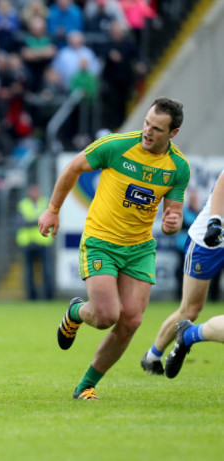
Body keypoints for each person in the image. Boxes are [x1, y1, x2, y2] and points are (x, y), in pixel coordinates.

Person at [38, 97, 190, 400]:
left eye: (157, 129)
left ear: (172, 134)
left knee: (131, 320)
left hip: (139, 248)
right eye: (146, 123)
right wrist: (52, 210)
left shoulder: (178, 167)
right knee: (106, 315)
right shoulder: (115, 146)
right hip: (101, 241)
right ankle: (76, 312)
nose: (147, 132)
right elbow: (72, 168)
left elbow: (173, 213)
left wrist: (173, 222)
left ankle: (86, 386)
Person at [141, 170, 224, 377]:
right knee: (190, 309)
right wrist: (215, 220)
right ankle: (153, 355)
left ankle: (187, 336)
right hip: (207, 243)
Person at [17, 184, 54, 300]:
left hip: (43, 242)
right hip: (28, 243)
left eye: (36, 191)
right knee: (29, 273)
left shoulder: (45, 203)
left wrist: (30, 222)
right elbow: (20, 222)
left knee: (46, 271)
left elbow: (49, 220)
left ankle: (48, 297)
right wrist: (38, 221)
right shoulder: (23, 204)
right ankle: (32, 297)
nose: (34, 194)